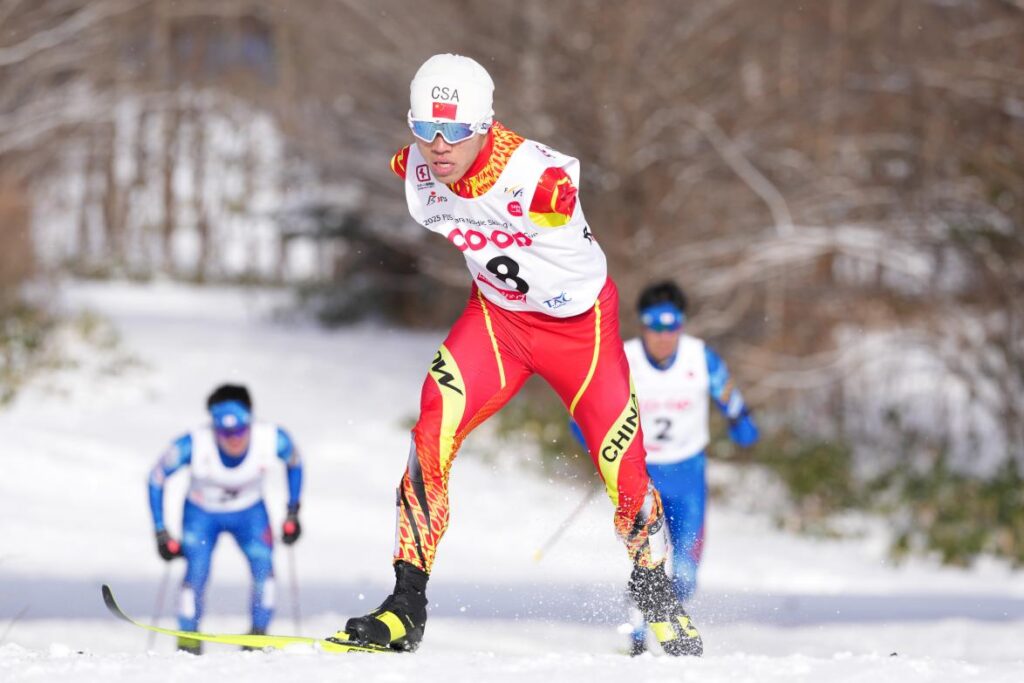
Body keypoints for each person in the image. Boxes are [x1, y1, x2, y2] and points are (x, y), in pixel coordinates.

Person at [329, 54, 701, 656]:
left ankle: (656, 589)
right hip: (498, 323)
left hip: (581, 333)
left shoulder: (535, 175)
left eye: (454, 131)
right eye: (424, 129)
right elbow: (410, 160)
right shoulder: (417, 166)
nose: (438, 146)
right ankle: (406, 605)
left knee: (623, 471)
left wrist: (554, 199)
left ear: (485, 127)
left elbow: (556, 178)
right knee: (431, 430)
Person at [621, 280, 758, 654]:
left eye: (672, 326)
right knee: (648, 560)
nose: (663, 337)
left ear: (681, 324)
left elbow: (729, 396)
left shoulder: (700, 357)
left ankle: (658, 610)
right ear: (642, 325)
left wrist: (741, 421)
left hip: (688, 477)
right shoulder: (624, 359)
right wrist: (587, 433)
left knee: (685, 573)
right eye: (654, 326)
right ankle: (637, 634)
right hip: (641, 476)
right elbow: (590, 406)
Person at [147, 384, 303, 654]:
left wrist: (292, 511)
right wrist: (161, 531)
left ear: (251, 421)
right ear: (213, 426)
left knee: (264, 567)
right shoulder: (192, 443)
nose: (233, 439)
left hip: (250, 513)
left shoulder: (273, 438)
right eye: (224, 432)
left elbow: (295, 463)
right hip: (201, 514)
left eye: (240, 430)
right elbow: (156, 478)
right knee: (196, 571)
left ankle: (258, 634)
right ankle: (188, 638)